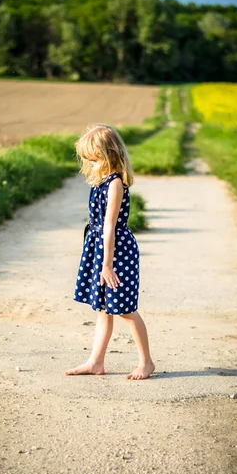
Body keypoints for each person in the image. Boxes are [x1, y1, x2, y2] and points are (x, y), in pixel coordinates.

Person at [65, 123, 155, 380]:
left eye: (93, 160)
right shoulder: (101, 181)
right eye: (87, 160)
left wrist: (106, 264)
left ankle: (146, 362)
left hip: (116, 254)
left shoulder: (115, 184)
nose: (90, 165)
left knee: (125, 308)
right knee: (103, 309)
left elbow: (110, 227)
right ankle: (95, 362)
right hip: (101, 249)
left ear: (110, 155)